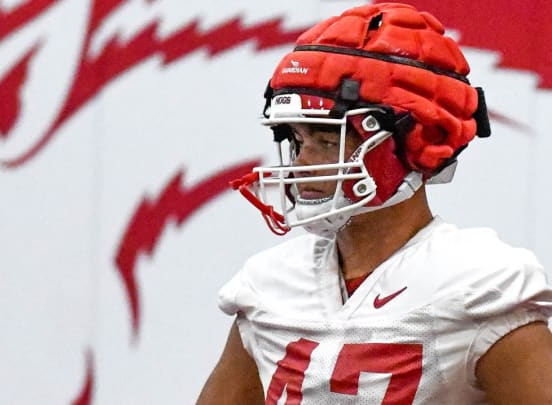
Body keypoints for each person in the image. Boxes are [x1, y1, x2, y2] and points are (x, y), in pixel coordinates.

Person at [197, 3, 552, 404]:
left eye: (329, 141)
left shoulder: (477, 284)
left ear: (418, 142)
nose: (301, 163)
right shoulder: (268, 284)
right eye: (298, 140)